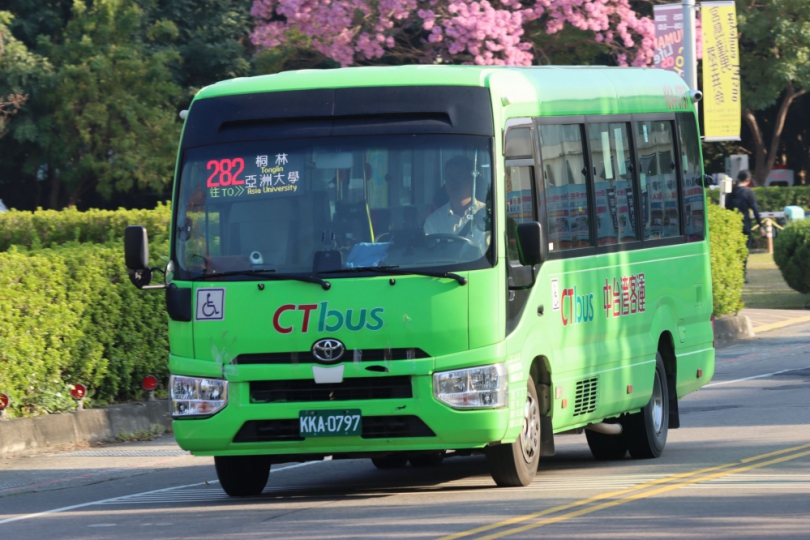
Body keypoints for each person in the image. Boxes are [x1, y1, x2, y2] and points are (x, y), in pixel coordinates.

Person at [423, 155, 489, 253]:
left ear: (472, 180)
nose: (452, 182)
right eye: (448, 177)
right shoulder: (433, 221)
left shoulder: (488, 216)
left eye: (458, 177)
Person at [725, 169, 763, 283]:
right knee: (745, 251)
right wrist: (761, 225)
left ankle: (732, 274)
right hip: (744, 225)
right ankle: (742, 275)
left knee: (734, 250)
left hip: (732, 225)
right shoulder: (748, 192)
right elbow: (755, 209)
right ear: (748, 180)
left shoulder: (730, 192)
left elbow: (726, 207)